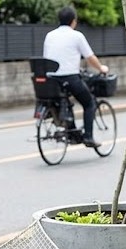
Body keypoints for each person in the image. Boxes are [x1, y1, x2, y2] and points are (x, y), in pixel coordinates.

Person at [42, 6, 108, 148]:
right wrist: (101, 68)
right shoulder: (77, 36)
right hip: (70, 78)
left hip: (51, 79)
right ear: (73, 21)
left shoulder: (49, 35)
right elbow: (90, 57)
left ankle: (71, 133)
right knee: (89, 103)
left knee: (64, 100)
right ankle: (88, 137)